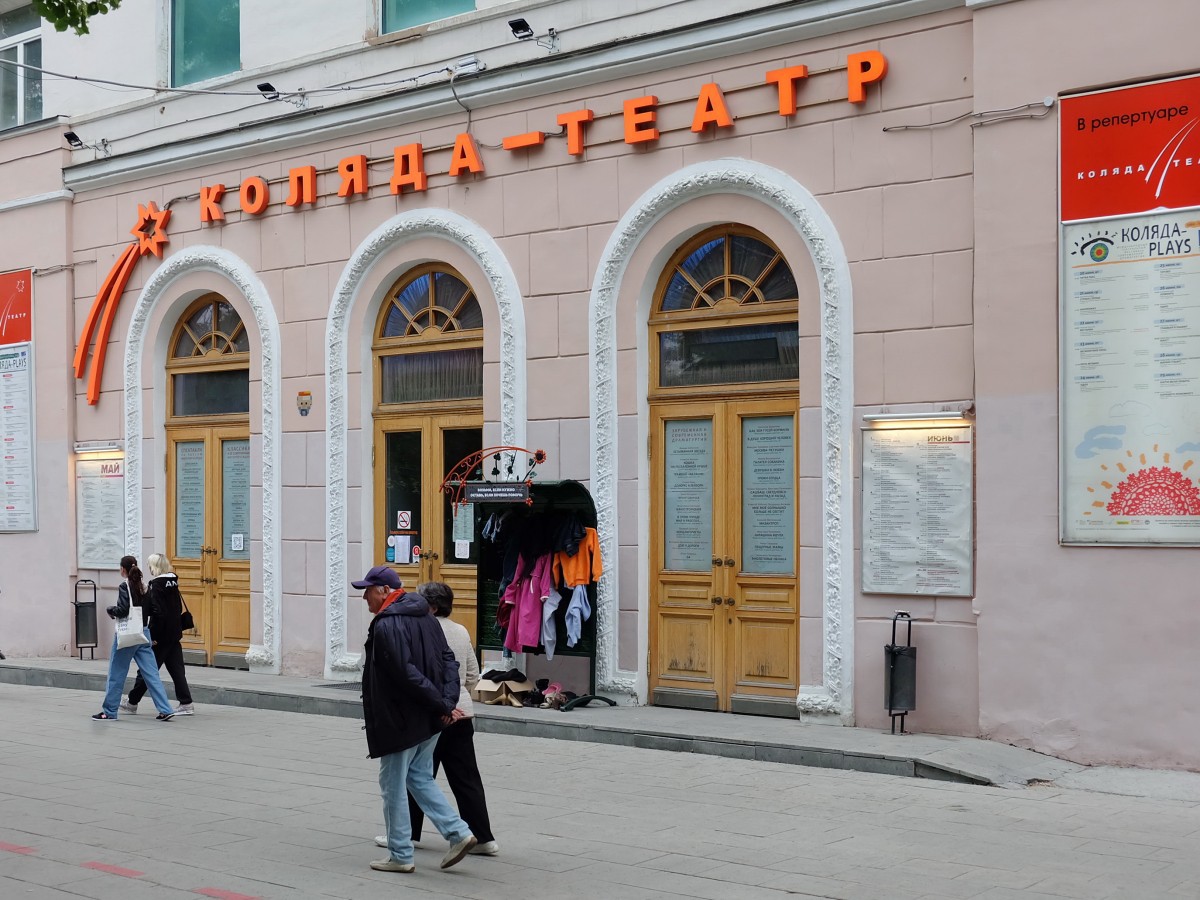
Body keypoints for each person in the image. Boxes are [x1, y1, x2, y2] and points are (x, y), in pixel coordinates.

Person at [355, 564, 476, 874]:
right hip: (428, 716)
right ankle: (458, 832)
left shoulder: (387, 624)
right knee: (419, 776)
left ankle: (400, 854)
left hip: (401, 718)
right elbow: (449, 662)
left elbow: (405, 673)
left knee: (392, 783)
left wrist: (442, 704)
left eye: (368, 591)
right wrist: (445, 703)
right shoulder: (426, 616)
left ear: (384, 591)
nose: (364, 598)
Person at [390, 581, 498, 855]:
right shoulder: (461, 630)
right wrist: (460, 695)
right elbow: (472, 674)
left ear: (433, 607)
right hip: (462, 713)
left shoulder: (420, 628)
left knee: (416, 774)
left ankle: (409, 834)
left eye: (420, 600)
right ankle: (483, 838)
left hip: (432, 712)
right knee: (466, 778)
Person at [93, 555, 176, 721]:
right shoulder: (145, 586)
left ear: (123, 569)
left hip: (128, 636)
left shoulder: (125, 586)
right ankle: (165, 709)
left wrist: (111, 610)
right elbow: (156, 611)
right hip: (144, 634)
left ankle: (109, 712)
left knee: (116, 673)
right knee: (151, 674)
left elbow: (123, 610)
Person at [121, 553, 194, 716]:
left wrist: (152, 636)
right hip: (174, 634)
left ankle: (131, 702)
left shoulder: (156, 585)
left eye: (149, 565)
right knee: (177, 670)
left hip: (160, 637)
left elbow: (158, 614)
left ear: (154, 566)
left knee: (146, 670)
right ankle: (186, 703)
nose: (148, 567)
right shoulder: (173, 582)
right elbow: (176, 609)